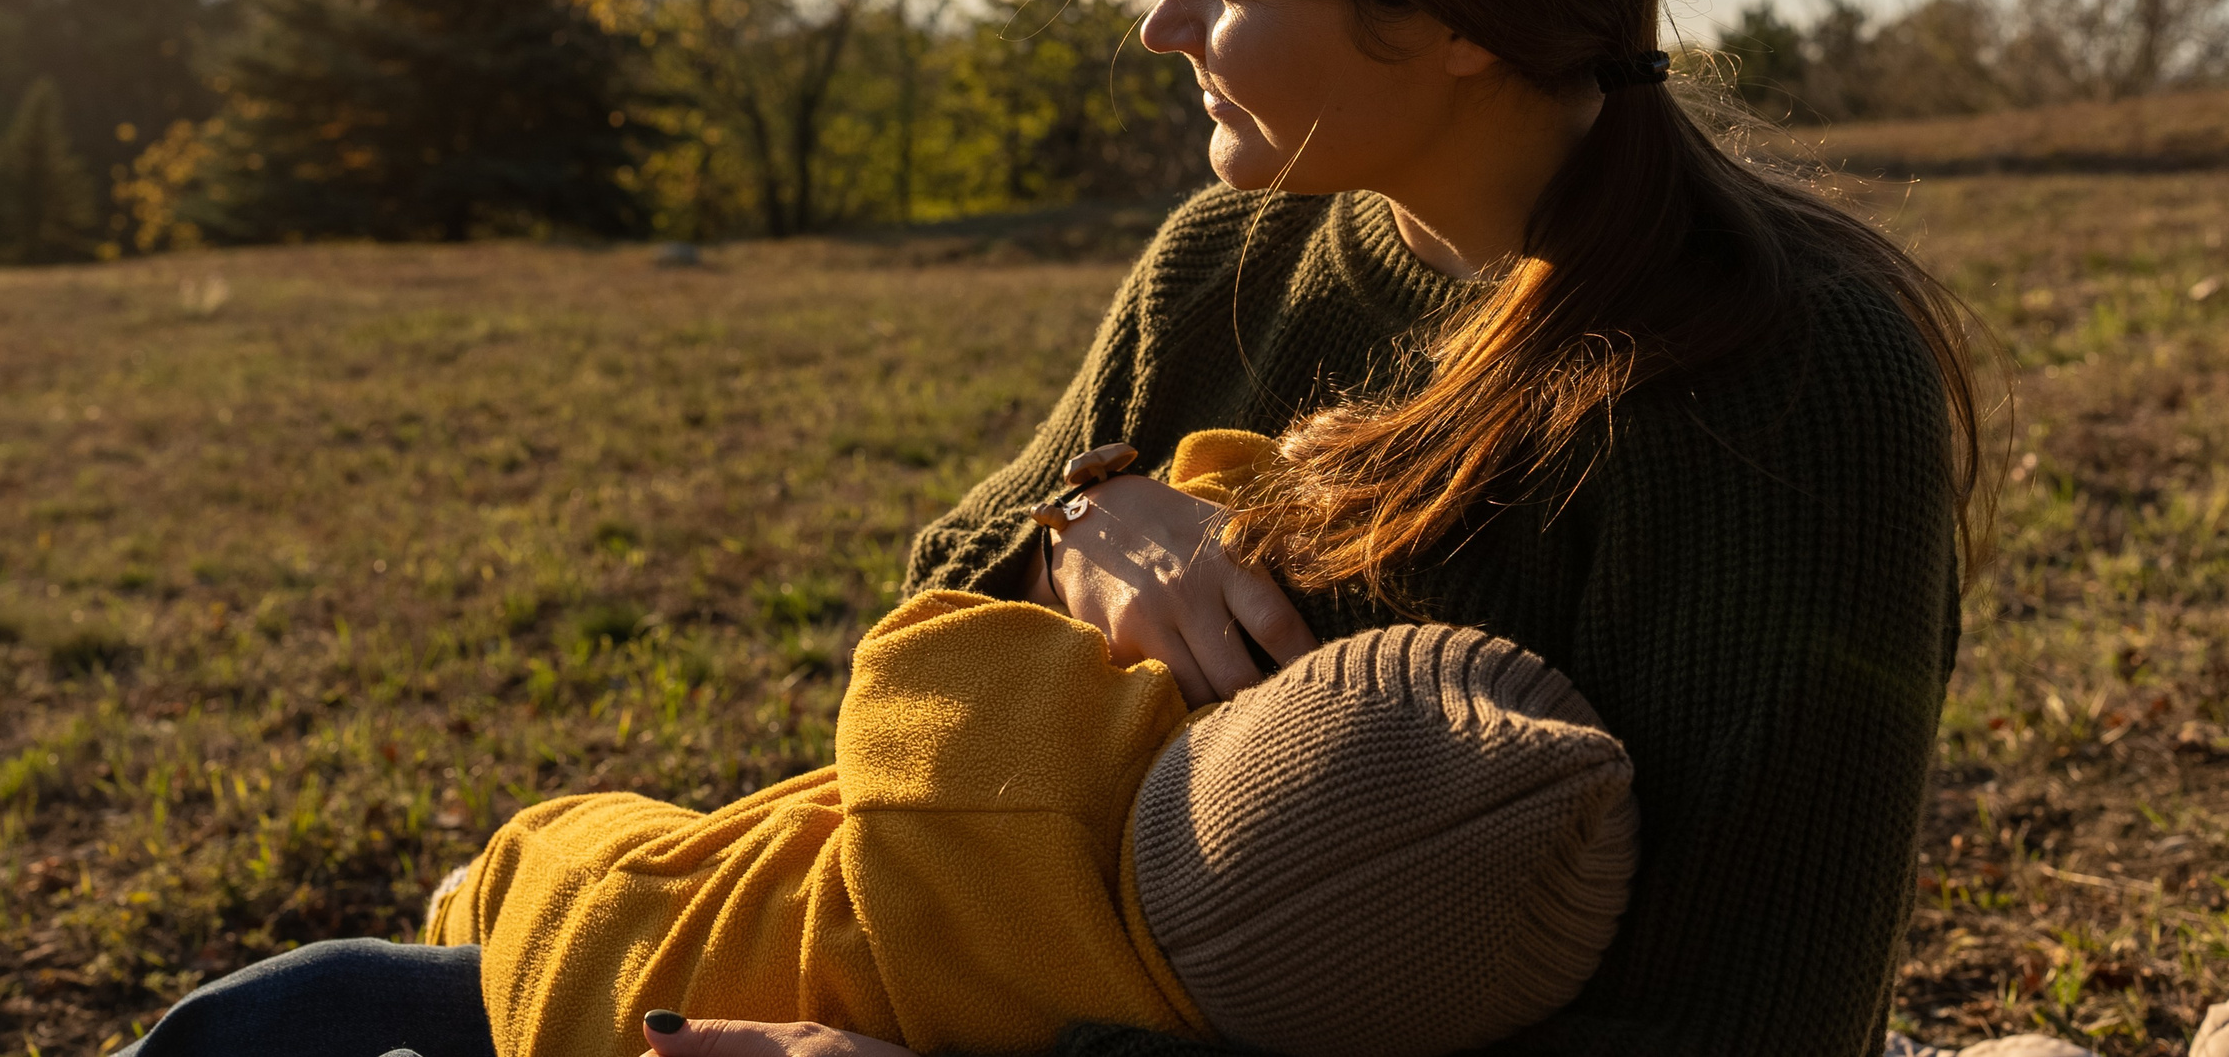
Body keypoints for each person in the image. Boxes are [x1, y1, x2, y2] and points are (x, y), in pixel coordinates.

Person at [118, 0, 1986, 1057]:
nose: (1161, 27)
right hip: (933, 976)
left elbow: (1734, 1030)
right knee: (284, 1024)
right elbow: (928, 619)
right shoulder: (1229, 265)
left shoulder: (1786, 381)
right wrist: (1101, 512)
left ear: (1453, 11)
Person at [417, 440, 1636, 1057]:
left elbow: (922, 640)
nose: (1170, 24)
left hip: (622, 961)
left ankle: (463, 902)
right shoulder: (1189, 1017)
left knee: (537, 876)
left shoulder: (1041, 788)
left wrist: (1099, 506)